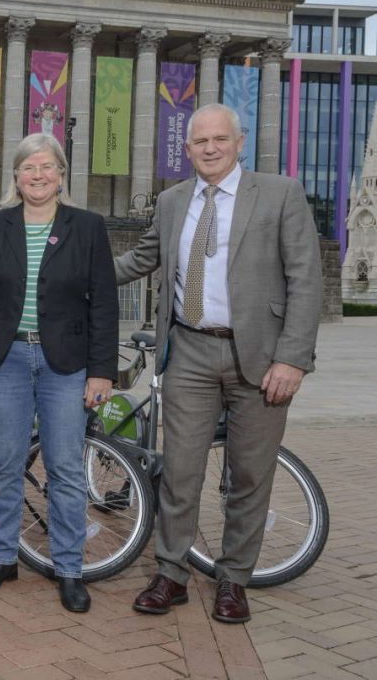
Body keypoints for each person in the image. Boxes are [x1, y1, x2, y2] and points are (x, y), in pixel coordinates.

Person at [116, 103, 322, 624]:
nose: (209, 148)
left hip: (260, 356)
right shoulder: (171, 201)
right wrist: (70, 265)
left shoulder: (280, 194)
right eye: (199, 141)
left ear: (239, 142)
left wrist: (293, 359)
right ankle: (171, 574)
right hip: (188, 351)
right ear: (186, 150)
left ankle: (234, 580)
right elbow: (140, 259)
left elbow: (306, 279)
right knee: (180, 470)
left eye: (219, 140)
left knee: (250, 475)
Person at [0, 132, 118, 613]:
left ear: (61, 174)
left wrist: (102, 371)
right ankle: (3, 557)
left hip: (67, 365)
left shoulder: (87, 227)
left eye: (47, 167)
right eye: (28, 168)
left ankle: (68, 568)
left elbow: (104, 304)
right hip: (6, 362)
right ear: (16, 177)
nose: (37, 175)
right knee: (3, 462)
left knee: (64, 467)